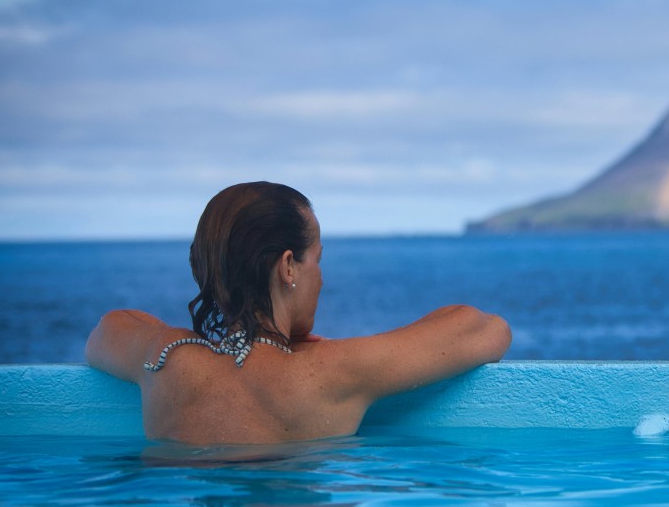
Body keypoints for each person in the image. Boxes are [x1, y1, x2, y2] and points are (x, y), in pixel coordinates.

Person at [86, 181, 510, 444]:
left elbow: (109, 328)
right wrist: (315, 353)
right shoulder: (330, 372)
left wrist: (204, 345)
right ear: (288, 266)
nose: (321, 278)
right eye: (317, 260)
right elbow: (483, 328)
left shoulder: (164, 361)